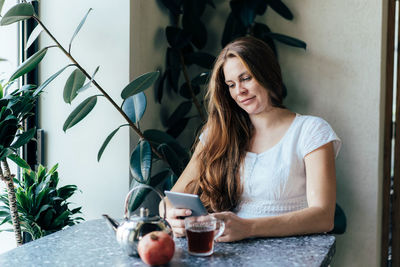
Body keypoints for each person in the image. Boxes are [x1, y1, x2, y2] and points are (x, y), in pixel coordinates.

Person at [159, 36, 341, 242]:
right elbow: (170, 200)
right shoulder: (218, 132)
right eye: (231, 84)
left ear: (267, 75)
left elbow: (323, 217)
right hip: (229, 254)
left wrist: (247, 227)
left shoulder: (311, 131)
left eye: (246, 78)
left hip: (291, 255)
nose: (239, 91)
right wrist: (170, 215)